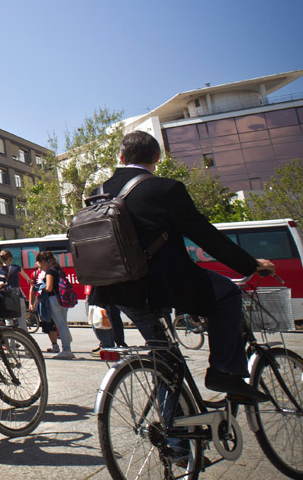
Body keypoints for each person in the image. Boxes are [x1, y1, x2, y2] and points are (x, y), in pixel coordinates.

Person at [89, 130, 275, 401]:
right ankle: (222, 371)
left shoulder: (99, 192)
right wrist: (249, 264)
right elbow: (204, 235)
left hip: (116, 291)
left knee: (164, 361)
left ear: (121, 157)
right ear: (157, 157)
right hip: (160, 287)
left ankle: (174, 436)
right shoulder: (166, 188)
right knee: (228, 294)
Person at [36, 251, 74, 359]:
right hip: (62, 299)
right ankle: (67, 348)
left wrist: (39, 287)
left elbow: (49, 287)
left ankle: (66, 350)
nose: (38, 265)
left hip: (53, 300)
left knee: (60, 325)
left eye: (38, 262)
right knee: (64, 324)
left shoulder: (49, 271)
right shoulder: (58, 269)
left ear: (43, 261)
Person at [0, 250, 33, 330]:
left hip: (6, 298)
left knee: (9, 323)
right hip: (18, 297)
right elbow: (26, 277)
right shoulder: (16, 268)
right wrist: (29, 280)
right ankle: (25, 341)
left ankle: (11, 342)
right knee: (22, 322)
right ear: (10, 258)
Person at [29, 260, 59, 352]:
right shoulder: (34, 274)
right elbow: (32, 289)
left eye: (41, 261)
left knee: (52, 323)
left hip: (49, 301)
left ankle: (57, 345)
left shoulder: (50, 272)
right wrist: (31, 303)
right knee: (46, 324)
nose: (39, 263)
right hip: (41, 301)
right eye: (38, 261)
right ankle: (54, 344)